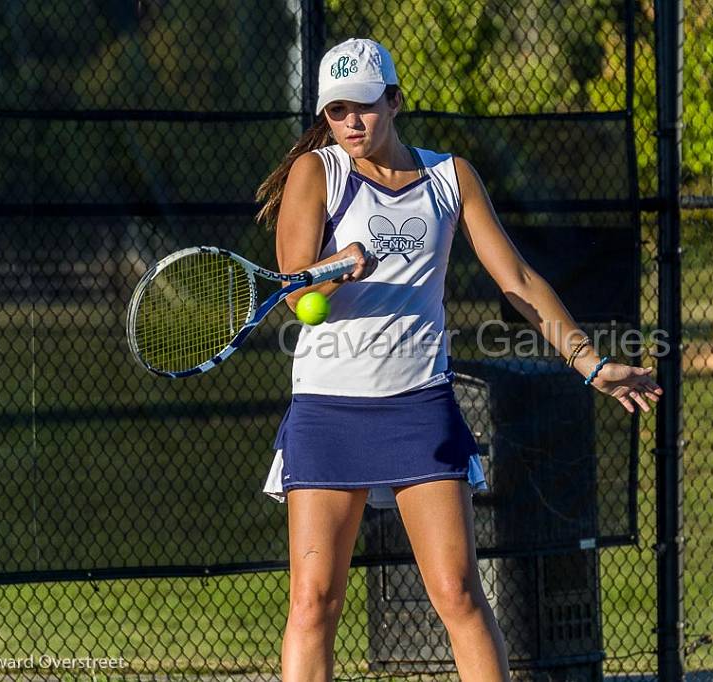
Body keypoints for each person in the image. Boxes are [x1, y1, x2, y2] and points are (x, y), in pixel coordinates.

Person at [254, 38, 662, 682]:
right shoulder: (318, 173)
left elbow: (520, 282)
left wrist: (591, 364)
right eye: (336, 111)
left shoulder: (451, 177)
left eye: (363, 106)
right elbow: (297, 294)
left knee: (459, 595)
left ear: (394, 101)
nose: (351, 123)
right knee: (312, 605)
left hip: (419, 407)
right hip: (328, 411)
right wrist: (339, 266)